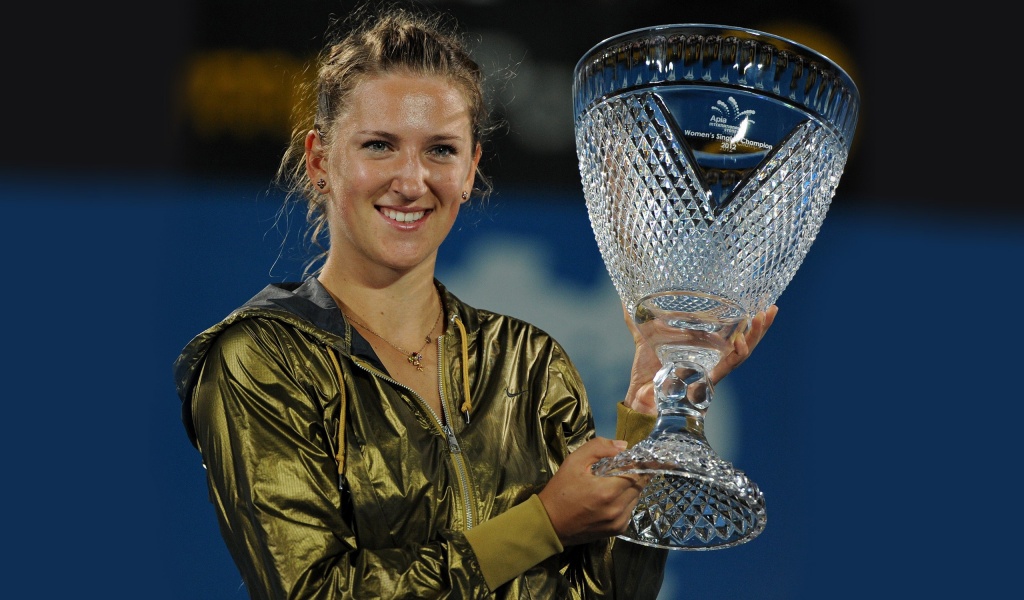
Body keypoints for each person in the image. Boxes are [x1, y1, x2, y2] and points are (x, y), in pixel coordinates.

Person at [173, 3, 777, 599]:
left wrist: (652, 409)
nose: (412, 181)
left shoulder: (529, 360)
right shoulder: (260, 357)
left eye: (440, 150)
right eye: (379, 145)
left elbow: (608, 592)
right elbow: (312, 592)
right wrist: (539, 525)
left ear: (470, 169)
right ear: (320, 160)